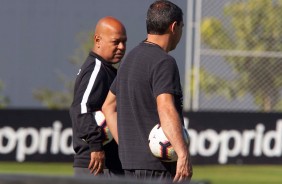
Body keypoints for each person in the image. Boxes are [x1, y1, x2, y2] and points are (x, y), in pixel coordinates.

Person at [102, 0, 193, 183]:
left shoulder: (129, 59)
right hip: (157, 168)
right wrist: (183, 153)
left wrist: (128, 146)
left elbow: (108, 107)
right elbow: (166, 107)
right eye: (182, 27)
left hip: (128, 165)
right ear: (174, 26)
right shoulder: (164, 62)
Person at [69, 16, 127, 177]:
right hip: (96, 165)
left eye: (124, 42)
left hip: (108, 165)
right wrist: (95, 147)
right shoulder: (96, 69)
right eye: (116, 42)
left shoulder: (107, 70)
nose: (122, 47)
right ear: (98, 39)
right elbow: (80, 108)